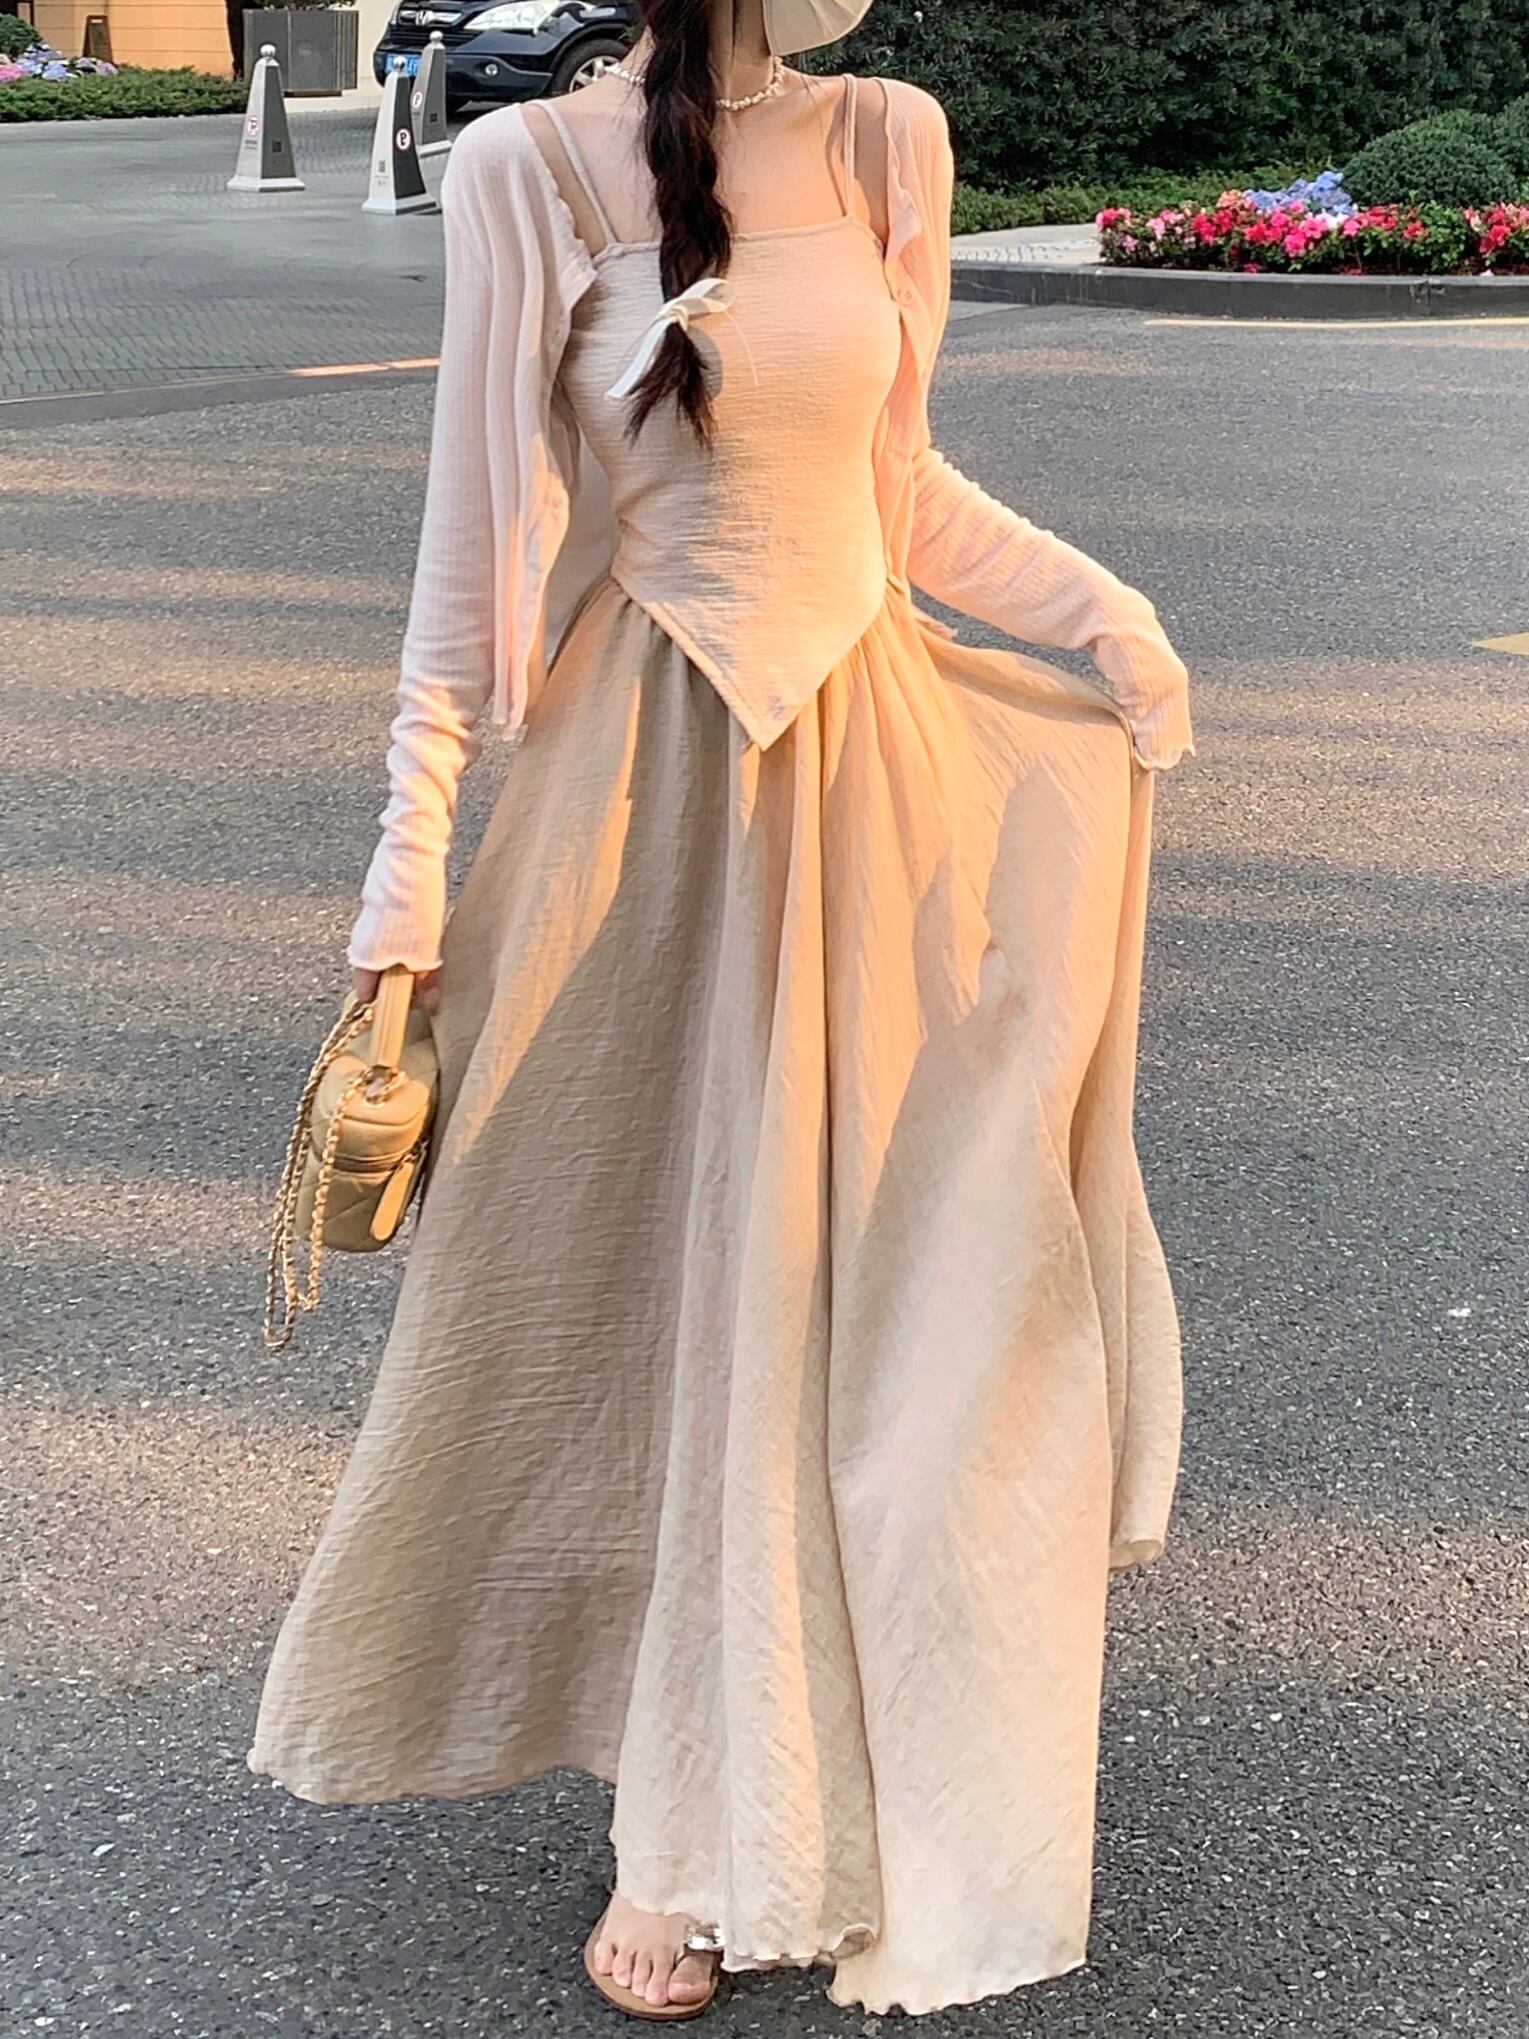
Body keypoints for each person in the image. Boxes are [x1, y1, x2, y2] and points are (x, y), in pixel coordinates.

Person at [247, 0, 1195, 2019]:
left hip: (884, 787)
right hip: (642, 808)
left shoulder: (884, 137)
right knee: (645, 1309)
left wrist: (1101, 613)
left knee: (908, 1295)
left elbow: (896, 489)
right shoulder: (524, 167)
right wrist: (405, 876)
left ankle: (844, 1763)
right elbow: (474, 556)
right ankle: (678, 1822)